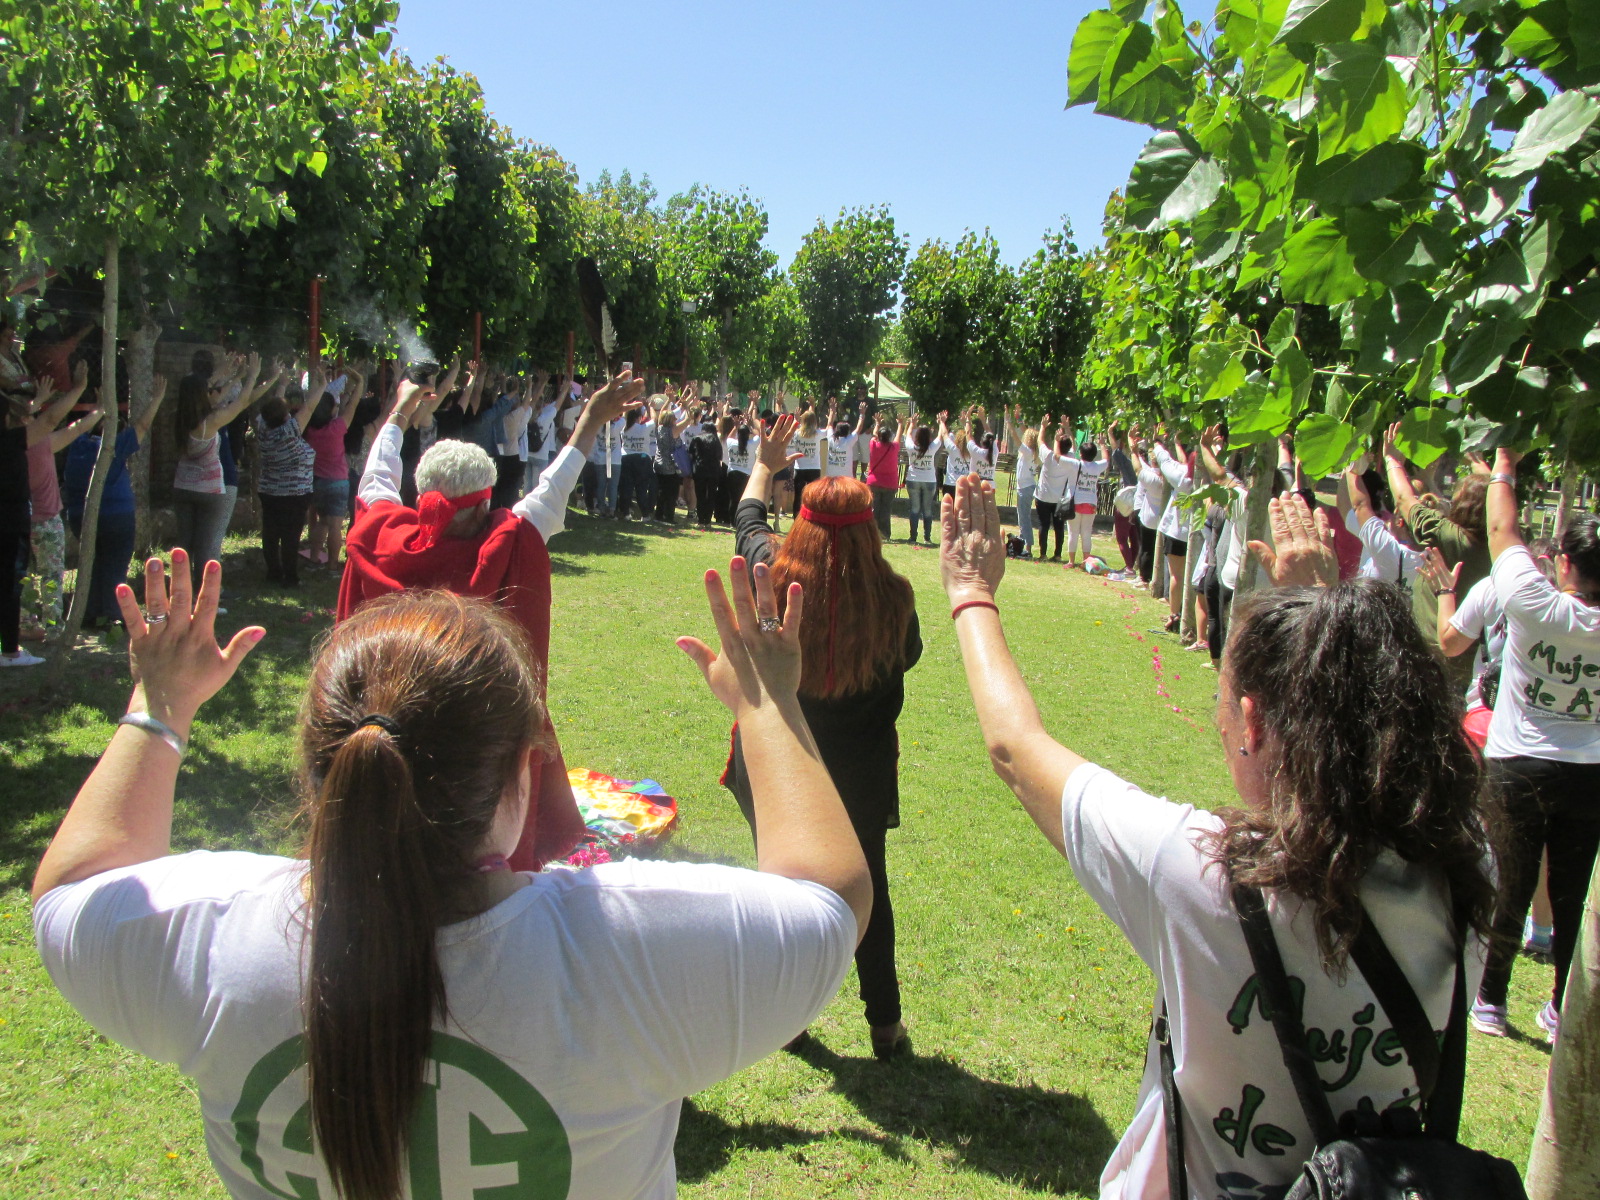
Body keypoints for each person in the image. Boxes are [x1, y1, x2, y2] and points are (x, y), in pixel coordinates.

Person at [32, 545, 869, 1198]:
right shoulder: (631, 954)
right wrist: (767, 704)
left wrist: (160, 708)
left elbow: (73, 888)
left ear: (319, 775)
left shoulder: (211, 939)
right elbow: (830, 898)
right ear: (522, 779)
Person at [938, 474, 1498, 1199]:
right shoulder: (1464, 862)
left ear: (1254, 723)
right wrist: (1326, 610)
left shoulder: (1202, 875)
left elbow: (1017, 747)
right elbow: (1355, 715)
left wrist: (970, 592)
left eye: (1223, 701)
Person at [726, 413, 921, 1060]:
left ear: (803, 526)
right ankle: (885, 1025)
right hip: (861, 774)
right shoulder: (895, 599)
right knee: (871, 888)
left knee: (782, 885)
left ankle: (789, 1022)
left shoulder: (772, 578)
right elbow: (908, 657)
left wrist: (766, 462)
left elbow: (748, 518)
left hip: (778, 763)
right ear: (871, 528)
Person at [1468, 447, 1600, 1044]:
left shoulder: (1534, 602)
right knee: (1571, 895)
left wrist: (1504, 465)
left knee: (1512, 884)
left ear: (1563, 562)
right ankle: (1562, 1007)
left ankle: (1490, 1001)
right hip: (1589, 774)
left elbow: (1502, 528)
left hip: (1519, 764)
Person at [1384, 423, 1490, 691]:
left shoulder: (1447, 534)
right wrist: (1484, 471)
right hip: (1473, 657)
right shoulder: (1503, 545)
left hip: (1430, 652)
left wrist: (1393, 461)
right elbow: (1497, 504)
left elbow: (1404, 499)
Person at [63, 372, 169, 627]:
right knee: (114, 565)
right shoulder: (111, 447)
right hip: (116, 516)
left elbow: (81, 428)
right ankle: (112, 614)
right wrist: (157, 399)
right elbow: (142, 427)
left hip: (79, 516)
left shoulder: (75, 444)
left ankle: (88, 612)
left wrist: (99, 409)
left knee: (91, 564)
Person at [171, 353, 262, 590]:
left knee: (184, 545)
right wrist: (252, 376)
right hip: (209, 491)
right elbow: (242, 402)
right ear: (202, 395)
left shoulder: (180, 419)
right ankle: (206, 594)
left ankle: (179, 592)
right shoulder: (210, 423)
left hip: (182, 486)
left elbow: (209, 391)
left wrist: (233, 375)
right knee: (207, 547)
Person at [20, 360, 95, 639]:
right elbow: (65, 425)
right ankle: (52, 628)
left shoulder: (23, 441)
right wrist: (80, 391)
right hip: (46, 520)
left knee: (22, 576)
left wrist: (99, 410)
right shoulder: (35, 440)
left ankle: (25, 624)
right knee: (51, 576)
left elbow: (73, 428)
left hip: (20, 520)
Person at [253, 372, 317, 587]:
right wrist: (322, 385)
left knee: (271, 534)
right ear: (285, 417)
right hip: (294, 493)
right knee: (291, 537)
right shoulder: (288, 431)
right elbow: (309, 407)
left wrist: (281, 384)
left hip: (269, 490)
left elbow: (272, 409)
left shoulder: (263, 428)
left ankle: (273, 573)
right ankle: (290, 577)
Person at [302, 366, 365, 568]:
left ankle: (314, 558)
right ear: (331, 410)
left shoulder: (308, 431)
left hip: (317, 481)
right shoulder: (337, 428)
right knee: (336, 526)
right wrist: (359, 383)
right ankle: (332, 565)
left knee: (322, 521)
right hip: (338, 482)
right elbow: (353, 405)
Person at [1033, 415, 1077, 563]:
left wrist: (1043, 427)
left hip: (1043, 496)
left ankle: (1043, 554)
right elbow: (1073, 444)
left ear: (1056, 443)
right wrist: (1067, 428)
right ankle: (1057, 554)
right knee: (1059, 527)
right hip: (1059, 498)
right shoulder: (1070, 459)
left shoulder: (1048, 456)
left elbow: (1040, 441)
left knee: (1043, 525)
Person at [1064, 425, 1106, 568]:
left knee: (1073, 533)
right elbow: (1106, 459)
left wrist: (1067, 432)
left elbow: (1062, 455)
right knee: (1086, 533)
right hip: (1091, 503)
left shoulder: (1076, 465)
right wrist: (1103, 444)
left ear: (1081, 454)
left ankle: (1071, 561)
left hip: (1076, 502)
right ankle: (1085, 561)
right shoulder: (1097, 466)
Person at [1107, 423, 1141, 574]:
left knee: (1122, 538)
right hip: (1139, 505)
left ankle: (1129, 567)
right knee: (1134, 537)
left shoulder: (1129, 464)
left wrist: (1110, 433)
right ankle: (1131, 566)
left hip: (1126, 504)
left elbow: (1116, 452)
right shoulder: (1147, 465)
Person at [865, 415, 903, 540]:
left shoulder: (873, 445)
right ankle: (885, 533)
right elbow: (898, 437)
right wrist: (900, 424)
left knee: (874, 509)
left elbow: (874, 435)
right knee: (886, 509)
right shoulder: (893, 448)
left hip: (874, 482)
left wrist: (877, 423)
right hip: (890, 483)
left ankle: (873, 533)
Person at [902, 420, 940, 545]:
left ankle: (913, 537)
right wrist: (942, 423)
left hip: (913, 479)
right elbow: (940, 436)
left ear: (917, 436)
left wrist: (911, 424)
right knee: (927, 510)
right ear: (929, 437)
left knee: (915, 509)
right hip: (929, 480)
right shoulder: (932, 448)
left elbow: (908, 435)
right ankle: (927, 538)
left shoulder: (911, 448)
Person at [1008, 407, 1038, 559]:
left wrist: (1009, 423)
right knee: (1024, 517)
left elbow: (1016, 437)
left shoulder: (1027, 452)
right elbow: (1026, 431)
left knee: (1024, 519)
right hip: (1029, 486)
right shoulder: (1034, 452)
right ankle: (1024, 545)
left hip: (1025, 488)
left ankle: (1027, 547)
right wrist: (1018, 418)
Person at [689, 417, 724, 527]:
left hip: (700, 469)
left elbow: (691, 453)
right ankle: (708, 520)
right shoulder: (716, 440)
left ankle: (700, 520)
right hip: (714, 470)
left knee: (700, 495)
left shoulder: (697, 438)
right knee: (711, 495)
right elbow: (720, 456)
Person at [790, 404, 823, 516]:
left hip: (799, 469)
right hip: (814, 469)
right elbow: (829, 427)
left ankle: (796, 519)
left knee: (798, 497)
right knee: (814, 496)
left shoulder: (797, 433)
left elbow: (794, 428)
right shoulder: (819, 434)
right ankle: (814, 517)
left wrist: (796, 419)